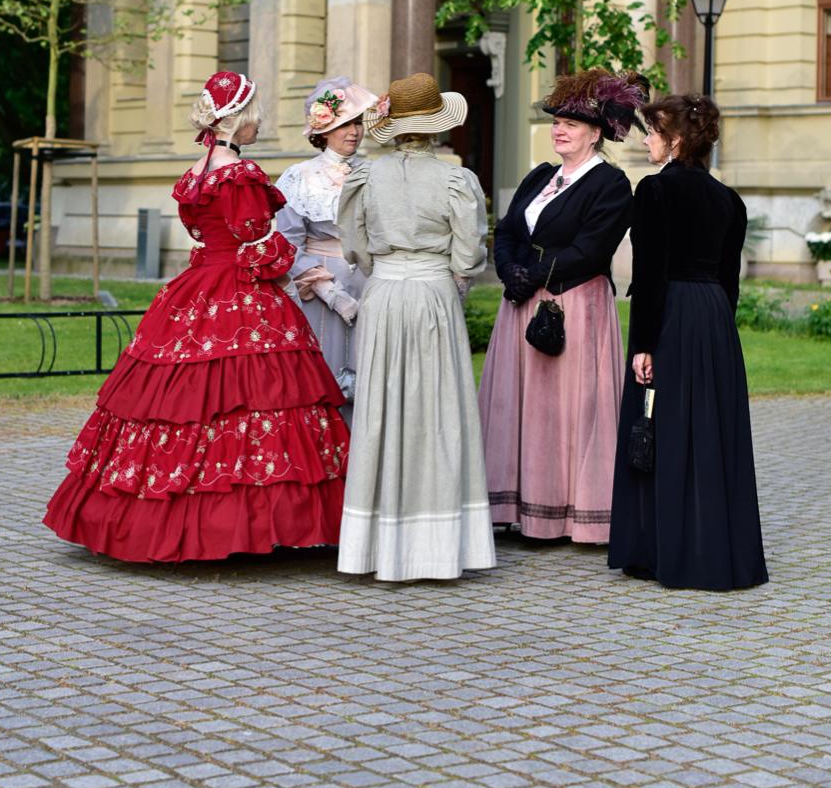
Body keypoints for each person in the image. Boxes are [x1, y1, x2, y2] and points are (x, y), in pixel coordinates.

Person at [44, 71, 349, 563]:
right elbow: (260, 243)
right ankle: (251, 523)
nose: (260, 123)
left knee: (186, 400)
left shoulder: (197, 170)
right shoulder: (240, 174)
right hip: (240, 292)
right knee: (256, 398)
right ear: (238, 118)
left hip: (196, 287)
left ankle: (159, 518)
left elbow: (205, 232)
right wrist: (296, 266)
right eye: (256, 115)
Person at [336, 72, 495, 582]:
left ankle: (375, 545)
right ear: (436, 125)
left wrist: (383, 267)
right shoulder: (456, 180)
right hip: (432, 293)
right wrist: (451, 275)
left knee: (380, 409)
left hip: (383, 293)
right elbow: (468, 254)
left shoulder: (364, 176)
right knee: (439, 409)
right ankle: (439, 547)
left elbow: (354, 247)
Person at [608, 94, 768, 590]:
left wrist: (643, 344)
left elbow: (650, 274)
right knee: (710, 431)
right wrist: (716, 327)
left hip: (673, 315)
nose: (646, 141)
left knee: (662, 426)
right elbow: (729, 281)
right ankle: (711, 551)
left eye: (653, 133)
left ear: (676, 140)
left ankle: (661, 551)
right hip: (714, 318)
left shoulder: (654, 190)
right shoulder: (729, 200)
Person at [479, 71, 643, 545]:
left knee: (566, 411)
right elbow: (508, 229)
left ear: (596, 132)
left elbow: (592, 249)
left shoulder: (611, 183)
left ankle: (570, 514)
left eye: (570, 123)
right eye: (556, 122)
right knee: (520, 406)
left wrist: (533, 274)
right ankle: (518, 506)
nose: (559, 130)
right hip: (523, 302)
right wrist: (509, 270)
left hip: (574, 304)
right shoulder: (540, 176)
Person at [275, 78, 378, 409]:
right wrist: (330, 292)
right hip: (320, 287)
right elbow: (288, 244)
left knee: (370, 375)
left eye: (357, 123)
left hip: (370, 282)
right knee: (324, 373)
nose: (354, 132)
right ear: (324, 129)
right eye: (344, 124)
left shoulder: (376, 173)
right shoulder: (299, 176)